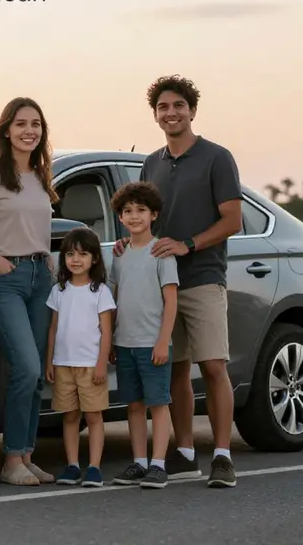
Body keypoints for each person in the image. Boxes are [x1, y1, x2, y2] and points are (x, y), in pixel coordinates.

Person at [114, 75, 242, 488]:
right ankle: (184, 453)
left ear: (191, 110)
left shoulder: (217, 158)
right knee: (175, 370)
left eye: (178, 106)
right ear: (155, 115)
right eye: (163, 108)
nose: (171, 113)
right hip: (159, 283)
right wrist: (127, 242)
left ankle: (222, 455)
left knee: (213, 366)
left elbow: (232, 220)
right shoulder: (152, 163)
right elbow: (146, 218)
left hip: (203, 277)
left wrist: (189, 244)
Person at [0, 97, 58, 487]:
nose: (29, 131)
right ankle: (9, 461)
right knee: (27, 368)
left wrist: (49, 263)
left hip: (41, 278)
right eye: (21, 124)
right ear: (6, 129)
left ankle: (26, 455)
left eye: (36, 124)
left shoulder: (40, 177)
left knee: (36, 377)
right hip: (4, 280)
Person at [108, 181, 178, 490]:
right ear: (120, 218)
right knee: (134, 405)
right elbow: (114, 297)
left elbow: (171, 300)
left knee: (158, 404)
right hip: (125, 343)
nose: (134, 216)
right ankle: (139, 462)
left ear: (154, 215)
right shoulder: (119, 254)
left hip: (153, 343)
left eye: (141, 210)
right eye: (127, 211)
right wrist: (110, 339)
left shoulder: (162, 252)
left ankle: (159, 465)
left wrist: (163, 340)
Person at [45, 227, 115, 488]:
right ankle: (73, 465)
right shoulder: (59, 290)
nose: (76, 259)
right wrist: (49, 361)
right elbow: (53, 328)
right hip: (64, 365)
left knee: (94, 416)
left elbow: (106, 331)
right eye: (70, 254)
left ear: (94, 259)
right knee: (70, 416)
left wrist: (101, 363)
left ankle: (94, 467)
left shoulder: (100, 292)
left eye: (83, 254)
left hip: (90, 366)